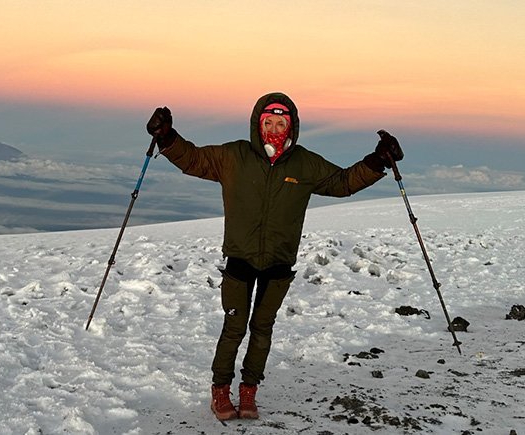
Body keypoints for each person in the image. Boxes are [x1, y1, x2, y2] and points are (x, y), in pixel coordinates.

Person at [145, 92, 403, 421]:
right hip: (240, 258)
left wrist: (377, 161)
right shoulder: (234, 156)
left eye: (281, 122)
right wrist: (167, 137)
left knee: (263, 329)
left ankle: (249, 391)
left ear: (292, 125)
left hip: (279, 264)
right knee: (234, 328)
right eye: (269, 122)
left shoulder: (305, 163)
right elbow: (194, 159)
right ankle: (221, 390)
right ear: (258, 123)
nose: (275, 128)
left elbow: (342, 183)